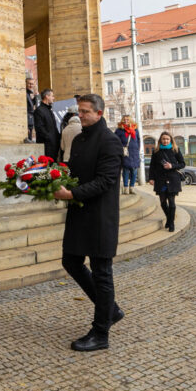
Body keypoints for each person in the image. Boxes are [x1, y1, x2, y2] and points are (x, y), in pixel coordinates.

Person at [51, 93, 123, 352]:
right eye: (79, 111)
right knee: (70, 261)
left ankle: (101, 333)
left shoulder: (110, 142)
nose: (79, 115)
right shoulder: (80, 138)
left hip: (100, 216)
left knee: (102, 272)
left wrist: (72, 194)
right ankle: (110, 309)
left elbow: (105, 181)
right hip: (79, 213)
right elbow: (73, 171)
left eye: (84, 112)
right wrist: (49, 176)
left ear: (99, 113)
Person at [146, 131, 184, 232]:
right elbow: (152, 166)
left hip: (173, 180)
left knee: (171, 203)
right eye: (163, 139)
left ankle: (171, 223)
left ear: (170, 140)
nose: (165, 141)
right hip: (160, 180)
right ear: (160, 140)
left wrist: (172, 166)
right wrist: (151, 178)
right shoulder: (156, 151)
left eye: (167, 139)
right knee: (163, 203)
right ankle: (169, 218)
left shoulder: (175, 150)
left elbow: (182, 164)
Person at [114, 116, 141, 194]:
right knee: (125, 170)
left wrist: (137, 149)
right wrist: (119, 149)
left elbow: (138, 140)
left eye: (127, 120)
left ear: (131, 121)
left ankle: (132, 188)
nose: (126, 121)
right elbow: (115, 140)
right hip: (125, 153)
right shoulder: (119, 130)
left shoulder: (135, 130)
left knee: (134, 171)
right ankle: (126, 188)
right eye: (124, 120)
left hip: (134, 153)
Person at [33, 88, 61, 160]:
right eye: (52, 96)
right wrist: (50, 138)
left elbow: (54, 128)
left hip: (54, 146)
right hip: (46, 147)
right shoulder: (39, 110)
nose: (53, 98)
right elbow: (39, 128)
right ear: (47, 96)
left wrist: (58, 138)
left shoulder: (49, 110)